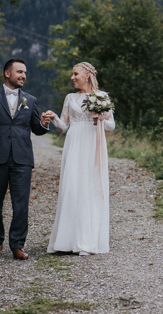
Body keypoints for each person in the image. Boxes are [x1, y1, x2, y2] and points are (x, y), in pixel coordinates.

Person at [0, 59, 52, 260]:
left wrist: (43, 123)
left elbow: (37, 128)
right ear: (7, 73)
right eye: (19, 72)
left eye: (25, 72)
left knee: (21, 203)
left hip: (22, 158)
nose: (23, 75)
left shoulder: (30, 100)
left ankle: (17, 245)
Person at [42, 62, 115, 255]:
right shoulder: (70, 97)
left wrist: (100, 118)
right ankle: (66, 241)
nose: (72, 77)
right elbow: (64, 126)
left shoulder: (101, 97)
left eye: (75, 74)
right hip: (73, 144)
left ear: (87, 76)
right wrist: (53, 118)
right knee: (72, 186)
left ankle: (86, 241)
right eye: (72, 74)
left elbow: (111, 125)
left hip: (92, 144)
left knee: (88, 187)